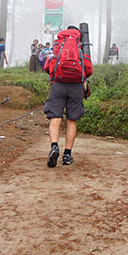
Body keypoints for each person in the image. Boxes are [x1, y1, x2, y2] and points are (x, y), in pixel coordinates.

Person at [44, 26, 93, 167]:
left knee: (55, 118)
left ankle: (54, 146)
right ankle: (67, 155)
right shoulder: (81, 44)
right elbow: (89, 69)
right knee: (72, 121)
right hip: (76, 87)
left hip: (58, 84)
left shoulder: (59, 43)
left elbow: (48, 66)